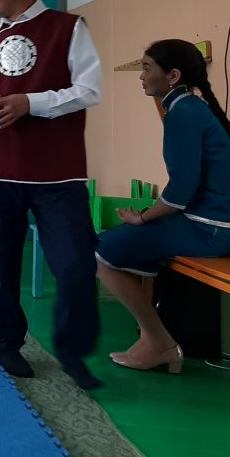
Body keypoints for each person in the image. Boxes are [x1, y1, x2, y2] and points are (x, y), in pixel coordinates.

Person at [0, 0, 102, 390]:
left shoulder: (68, 28)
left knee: (75, 264)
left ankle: (73, 350)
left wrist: (30, 103)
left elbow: (89, 90)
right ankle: (5, 343)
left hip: (57, 174)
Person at [96, 39, 230, 373]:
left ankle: (160, 344)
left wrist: (143, 218)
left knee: (100, 251)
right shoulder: (190, 107)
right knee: (119, 246)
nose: (141, 76)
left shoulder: (183, 112)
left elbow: (180, 192)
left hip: (209, 230)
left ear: (172, 76)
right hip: (205, 223)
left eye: (146, 68)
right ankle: (151, 339)